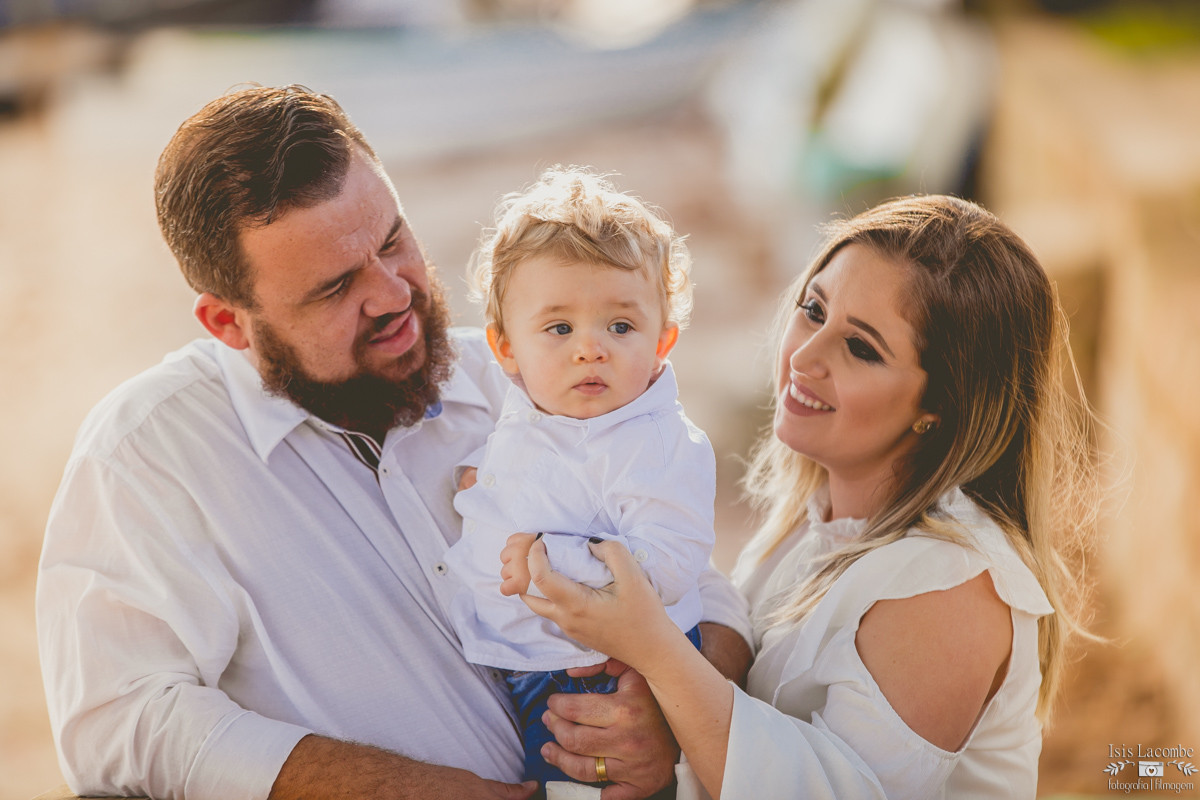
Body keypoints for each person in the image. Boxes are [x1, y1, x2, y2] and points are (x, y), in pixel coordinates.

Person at [35, 84, 753, 800]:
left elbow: (712, 596)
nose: (393, 295)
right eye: (334, 287)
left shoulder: (533, 379)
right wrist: (403, 791)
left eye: (392, 241)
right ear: (228, 323)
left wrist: (675, 710)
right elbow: (118, 723)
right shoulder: (146, 454)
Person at [504, 194, 1100, 799]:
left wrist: (657, 659)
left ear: (942, 403)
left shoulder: (950, 585)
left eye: (861, 348)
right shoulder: (817, 517)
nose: (806, 357)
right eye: (814, 310)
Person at [443, 167, 716, 797]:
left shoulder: (656, 444)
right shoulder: (539, 408)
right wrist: (484, 481)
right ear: (505, 348)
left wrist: (552, 558)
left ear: (662, 342)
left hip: (599, 672)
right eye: (559, 328)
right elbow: (551, 472)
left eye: (620, 326)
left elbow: (672, 563)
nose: (590, 348)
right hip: (532, 657)